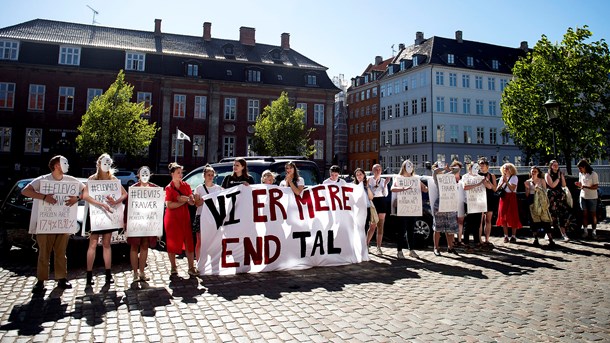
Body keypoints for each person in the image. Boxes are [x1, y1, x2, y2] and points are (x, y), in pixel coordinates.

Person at [22, 155, 84, 293]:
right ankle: (41, 280)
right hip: (46, 223)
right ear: (57, 165)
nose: (67, 165)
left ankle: (61, 278)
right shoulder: (43, 180)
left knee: (61, 252)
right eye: (65, 163)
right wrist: (44, 197)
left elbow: (86, 190)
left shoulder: (71, 180)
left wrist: (77, 198)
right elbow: (25, 191)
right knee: (44, 253)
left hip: (63, 222)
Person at [82, 153, 127, 286]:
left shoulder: (113, 179)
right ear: (99, 164)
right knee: (93, 244)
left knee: (107, 244)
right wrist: (100, 204)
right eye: (104, 163)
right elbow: (84, 195)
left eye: (109, 163)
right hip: (96, 215)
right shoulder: (92, 179)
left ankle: (108, 273)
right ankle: (89, 275)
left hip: (107, 217)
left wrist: (115, 201)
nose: (107, 166)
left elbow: (125, 194)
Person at [164, 162, 197, 276]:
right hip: (172, 219)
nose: (180, 174)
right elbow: (169, 205)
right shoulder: (169, 188)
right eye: (178, 173)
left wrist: (191, 199)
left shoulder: (186, 186)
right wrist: (182, 201)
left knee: (189, 241)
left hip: (184, 217)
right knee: (172, 242)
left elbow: (192, 202)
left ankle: (191, 267)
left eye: (181, 172)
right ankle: (173, 267)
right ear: (172, 174)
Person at [127, 166, 159, 282]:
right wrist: (126, 223)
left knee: (145, 246)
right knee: (134, 246)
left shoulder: (155, 189)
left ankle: (142, 272)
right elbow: (128, 207)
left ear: (150, 175)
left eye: (147, 173)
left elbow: (159, 208)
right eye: (142, 173)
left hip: (149, 223)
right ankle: (135, 273)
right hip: (135, 222)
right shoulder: (133, 189)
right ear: (138, 175)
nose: (145, 176)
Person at [391, 160, 428, 259]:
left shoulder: (415, 179)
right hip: (403, 207)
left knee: (411, 230)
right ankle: (399, 251)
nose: (410, 168)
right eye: (408, 166)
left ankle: (411, 250)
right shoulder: (399, 178)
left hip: (412, 208)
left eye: (411, 166)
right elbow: (392, 189)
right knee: (401, 230)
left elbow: (425, 189)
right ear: (404, 167)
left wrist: (424, 187)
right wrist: (404, 189)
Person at [193, 165, 223, 261]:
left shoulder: (218, 189)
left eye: (212, 175)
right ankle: (198, 261)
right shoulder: (199, 188)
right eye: (208, 175)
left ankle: (212, 262)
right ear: (204, 176)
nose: (210, 177)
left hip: (213, 217)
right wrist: (204, 200)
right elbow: (196, 203)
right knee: (200, 241)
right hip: (201, 216)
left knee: (212, 241)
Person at [431, 162, 459, 256]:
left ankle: (450, 247)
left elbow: (457, 170)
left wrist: (449, 168)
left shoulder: (448, 175)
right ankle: (436, 248)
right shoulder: (436, 177)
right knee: (438, 228)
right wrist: (442, 168)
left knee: (450, 227)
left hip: (450, 203)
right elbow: (435, 171)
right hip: (440, 204)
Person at [526, 166, 554, 248]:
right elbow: (527, 195)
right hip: (532, 201)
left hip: (541, 202)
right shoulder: (528, 182)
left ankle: (550, 239)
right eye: (532, 171)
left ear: (538, 172)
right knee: (533, 221)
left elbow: (545, 191)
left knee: (545, 220)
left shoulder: (542, 180)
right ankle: (535, 238)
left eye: (535, 171)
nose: (533, 172)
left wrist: (538, 189)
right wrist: (528, 188)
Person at [461, 162, 486, 249]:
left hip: (478, 203)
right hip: (469, 202)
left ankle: (476, 241)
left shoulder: (480, 177)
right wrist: (478, 184)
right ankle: (466, 242)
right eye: (474, 167)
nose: (477, 169)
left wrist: (486, 181)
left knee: (477, 223)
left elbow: (489, 187)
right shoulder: (465, 176)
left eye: (477, 168)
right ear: (470, 168)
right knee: (468, 223)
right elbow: (465, 187)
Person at [367, 164, 390, 255]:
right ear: (373, 171)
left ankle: (379, 247)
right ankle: (366, 244)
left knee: (381, 226)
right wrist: (375, 187)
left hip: (382, 202)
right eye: (376, 169)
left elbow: (385, 194)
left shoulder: (383, 180)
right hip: (374, 202)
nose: (378, 171)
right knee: (372, 226)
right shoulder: (370, 180)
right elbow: (370, 194)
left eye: (379, 169)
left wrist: (384, 185)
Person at [544, 160, 570, 242]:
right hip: (552, 196)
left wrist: (561, 176)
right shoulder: (547, 174)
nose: (556, 166)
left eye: (557, 165)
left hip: (559, 196)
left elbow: (564, 185)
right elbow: (552, 185)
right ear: (551, 166)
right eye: (554, 165)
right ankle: (548, 234)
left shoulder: (559, 173)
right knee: (551, 215)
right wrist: (558, 178)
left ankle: (563, 234)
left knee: (561, 214)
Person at [496, 162, 522, 243]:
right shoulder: (501, 178)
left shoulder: (514, 177)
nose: (505, 170)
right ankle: (506, 236)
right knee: (503, 216)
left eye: (507, 168)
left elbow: (512, 188)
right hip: (503, 198)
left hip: (511, 197)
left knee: (513, 215)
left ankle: (513, 236)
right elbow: (497, 189)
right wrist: (503, 182)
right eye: (504, 168)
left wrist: (506, 182)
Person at [575, 159, 599, 239]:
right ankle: (585, 231)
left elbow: (595, 186)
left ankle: (594, 231)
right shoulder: (581, 174)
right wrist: (579, 185)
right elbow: (581, 184)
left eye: (580, 168)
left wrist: (586, 187)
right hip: (583, 196)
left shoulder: (593, 174)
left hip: (592, 197)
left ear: (585, 167)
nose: (579, 170)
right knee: (584, 214)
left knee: (593, 214)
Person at [477, 158, 497, 247]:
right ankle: (480, 239)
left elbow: (495, 189)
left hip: (489, 198)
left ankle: (487, 239)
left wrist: (488, 182)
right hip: (480, 198)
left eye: (483, 164)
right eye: (480, 164)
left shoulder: (491, 175)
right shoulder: (477, 175)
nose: (481, 166)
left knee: (488, 220)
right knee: (480, 220)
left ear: (487, 166)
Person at [353, 168, 375, 238]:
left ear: (364, 175)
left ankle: (364, 244)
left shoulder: (368, 186)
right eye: (357, 175)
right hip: (357, 209)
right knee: (357, 227)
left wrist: (367, 187)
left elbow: (371, 197)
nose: (359, 176)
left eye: (360, 174)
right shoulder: (353, 186)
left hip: (366, 208)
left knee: (365, 227)